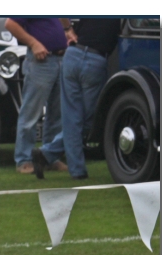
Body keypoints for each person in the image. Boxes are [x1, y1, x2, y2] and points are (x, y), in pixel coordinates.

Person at [33, 17, 122, 179]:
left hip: (73, 55)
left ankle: (46, 154)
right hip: (96, 60)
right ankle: (75, 170)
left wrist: (67, 29)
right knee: (87, 121)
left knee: (73, 119)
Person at [4, 17, 69, 174]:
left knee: (57, 114)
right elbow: (10, 24)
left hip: (60, 59)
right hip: (41, 61)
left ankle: (48, 157)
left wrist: (67, 30)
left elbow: (63, 19)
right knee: (31, 112)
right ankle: (23, 160)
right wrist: (34, 43)